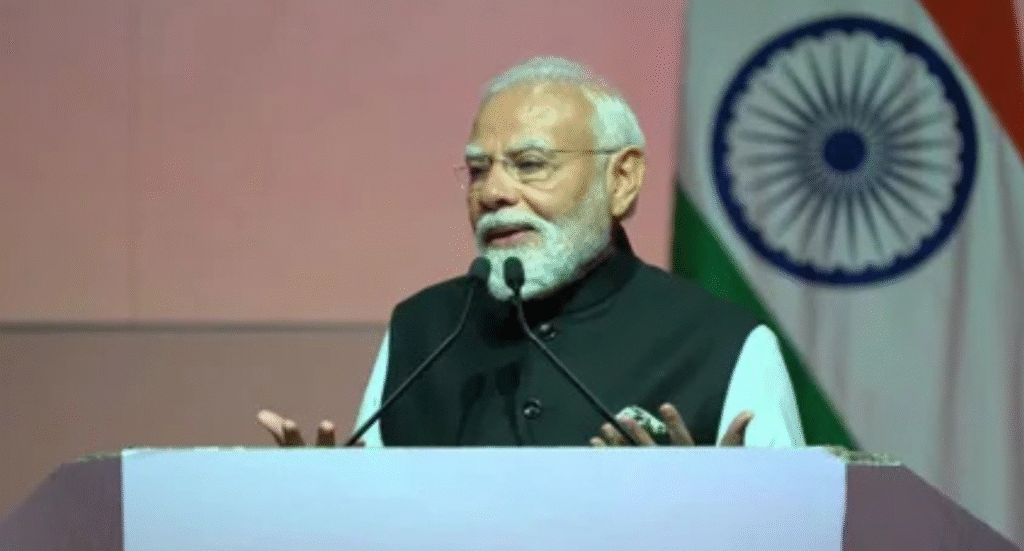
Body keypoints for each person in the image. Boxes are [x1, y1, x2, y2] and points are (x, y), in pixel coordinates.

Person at [259, 56, 805, 448]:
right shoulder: (421, 331)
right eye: (478, 170)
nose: (493, 193)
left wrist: (711, 509)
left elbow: (793, 531)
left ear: (621, 180)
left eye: (530, 164)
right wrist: (323, 501)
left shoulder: (727, 345)